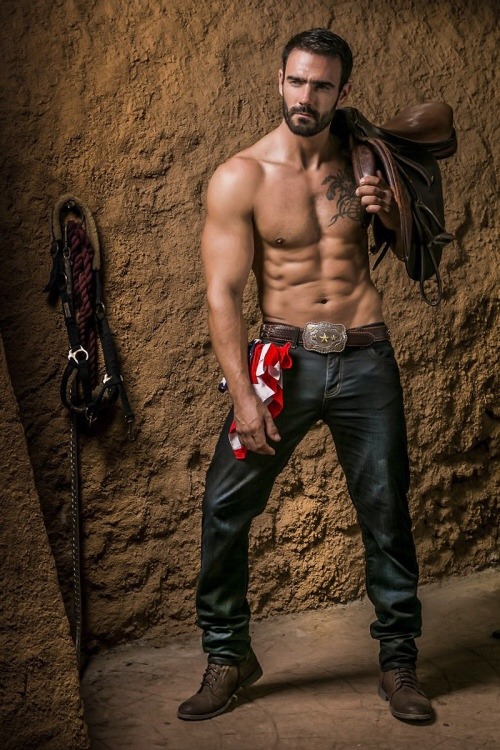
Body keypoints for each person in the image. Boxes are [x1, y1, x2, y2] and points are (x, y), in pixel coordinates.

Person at [178, 28, 433, 723]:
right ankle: (228, 655)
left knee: (386, 512)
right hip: (281, 362)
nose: (306, 96)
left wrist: (395, 215)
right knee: (224, 505)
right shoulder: (243, 176)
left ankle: (399, 662)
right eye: (296, 81)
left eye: (321, 85)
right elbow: (223, 293)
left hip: (366, 356)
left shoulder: (369, 160)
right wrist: (242, 394)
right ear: (279, 81)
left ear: (342, 91)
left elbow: (419, 252)